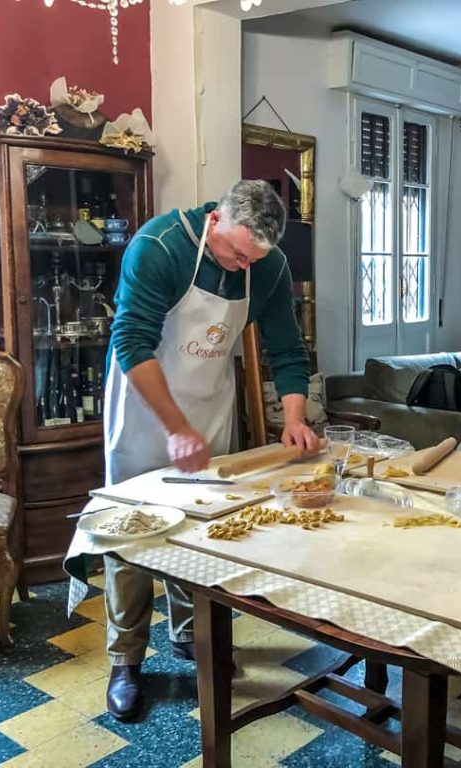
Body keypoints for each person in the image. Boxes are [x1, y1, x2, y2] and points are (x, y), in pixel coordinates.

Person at [102, 180, 318, 721]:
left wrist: (293, 420)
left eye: (255, 259)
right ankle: (125, 660)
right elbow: (130, 340)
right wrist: (175, 428)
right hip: (144, 409)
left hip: (209, 406)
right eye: (237, 254)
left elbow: (287, 347)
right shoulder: (160, 247)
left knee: (200, 530)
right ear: (215, 221)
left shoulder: (268, 267)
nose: (245, 267)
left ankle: (190, 636)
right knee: (131, 536)